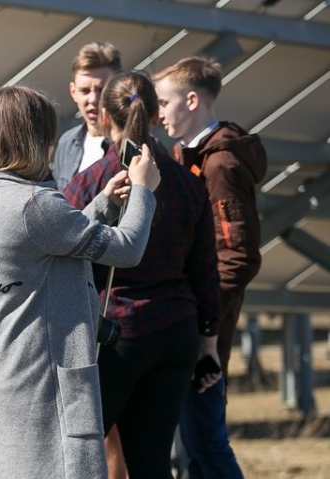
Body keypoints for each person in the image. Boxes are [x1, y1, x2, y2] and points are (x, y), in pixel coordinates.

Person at [0, 85, 160, 479]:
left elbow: (46, 243)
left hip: (6, 377)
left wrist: (103, 204)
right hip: (50, 387)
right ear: (38, 139)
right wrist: (143, 191)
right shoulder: (34, 203)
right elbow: (128, 248)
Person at [63, 70, 223, 478]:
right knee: (152, 463)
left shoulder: (90, 182)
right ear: (155, 116)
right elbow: (206, 271)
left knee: (74, 456)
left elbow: (63, 257)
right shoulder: (188, 184)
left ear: (103, 116)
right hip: (176, 332)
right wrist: (208, 342)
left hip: (115, 334)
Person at [155, 56, 266, 478]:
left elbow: (238, 256)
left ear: (191, 100)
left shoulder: (220, 165)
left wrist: (202, 315)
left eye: (164, 102)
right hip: (194, 317)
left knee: (205, 439)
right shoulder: (192, 155)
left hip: (204, 324)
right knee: (196, 443)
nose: (159, 113)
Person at [51, 41, 122, 191]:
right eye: (85, 90)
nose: (93, 99)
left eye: (102, 90)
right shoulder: (67, 143)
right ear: (73, 92)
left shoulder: (133, 145)